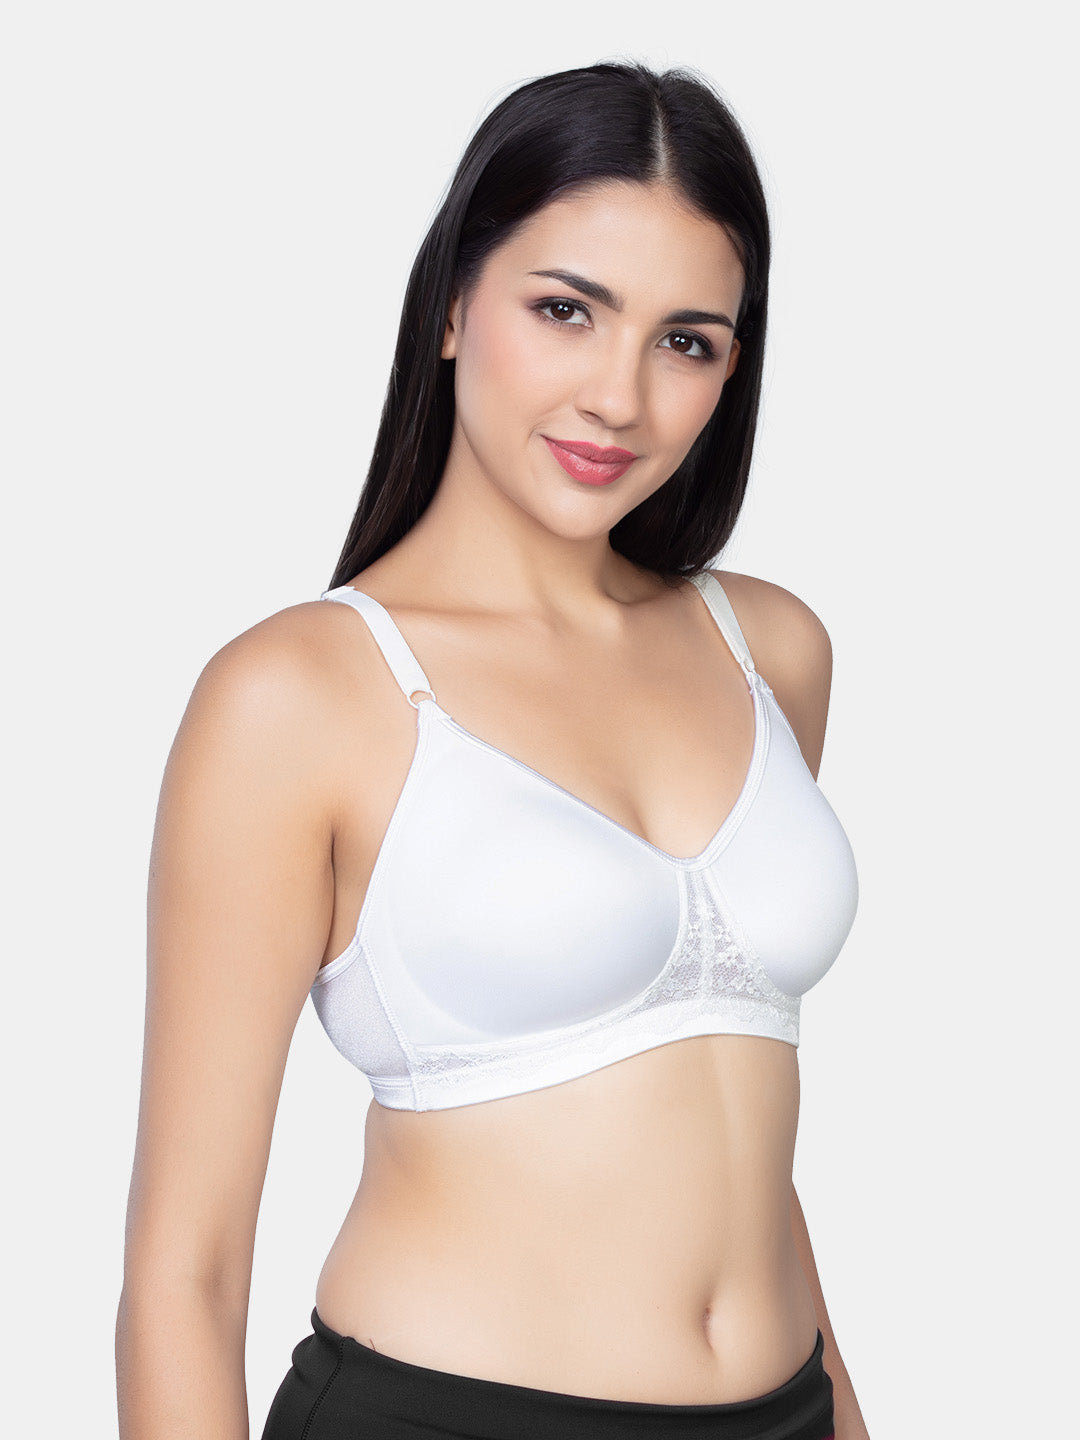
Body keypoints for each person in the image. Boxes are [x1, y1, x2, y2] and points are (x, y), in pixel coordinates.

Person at [116, 60, 868, 1440]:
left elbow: (730, 1125)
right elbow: (185, 1274)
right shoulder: (300, 696)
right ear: (456, 303)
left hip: (786, 1409)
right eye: (566, 310)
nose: (619, 398)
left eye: (685, 341)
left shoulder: (771, 648)